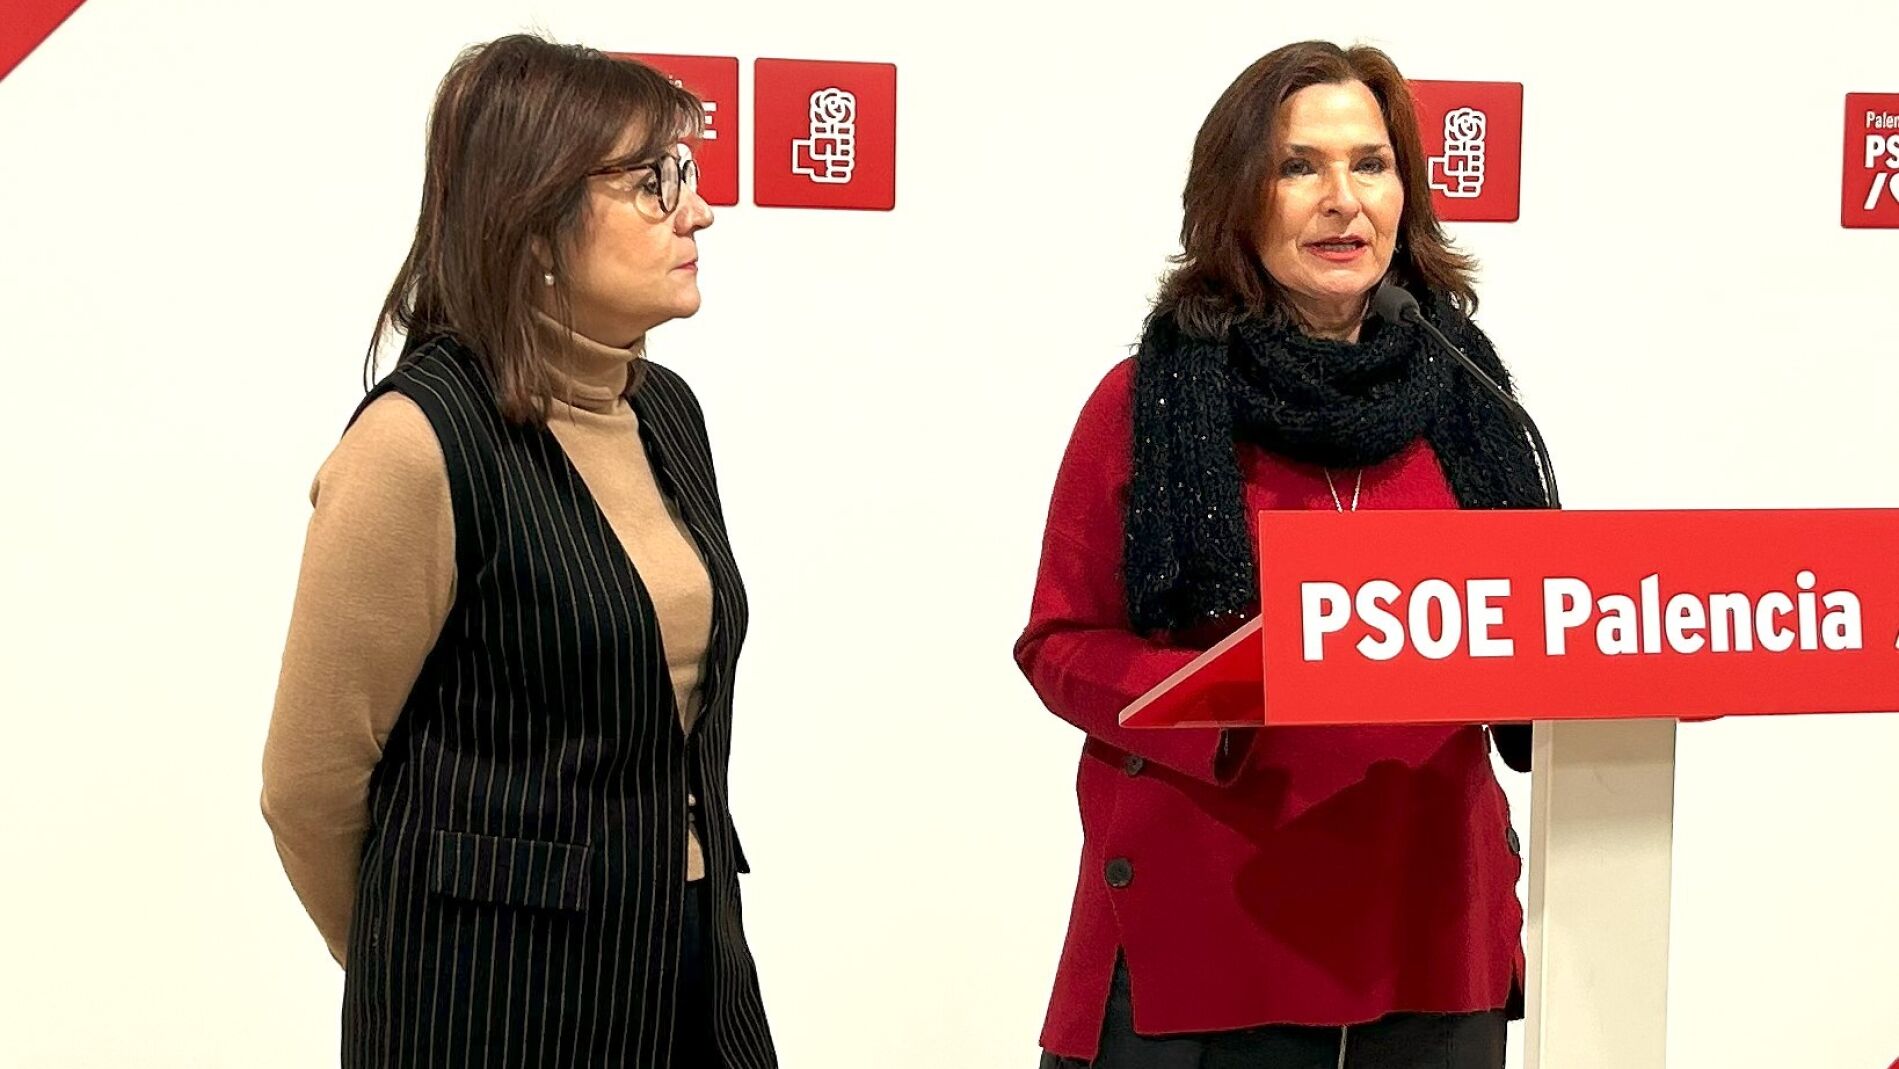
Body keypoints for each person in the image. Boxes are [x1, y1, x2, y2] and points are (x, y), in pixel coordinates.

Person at [1015, 40, 1551, 1069]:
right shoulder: (1146, 402)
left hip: (1430, 932)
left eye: (1371, 164)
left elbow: (1532, 626)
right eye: (1298, 166)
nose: (1342, 199)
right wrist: (1213, 697)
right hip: (1209, 926)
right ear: (1237, 197)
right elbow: (1058, 642)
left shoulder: (1468, 400)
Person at [260, 35, 775, 1068]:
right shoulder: (415, 443)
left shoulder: (665, 412)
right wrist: (418, 962)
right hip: (495, 1007)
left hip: (692, 968)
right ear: (534, 215)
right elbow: (309, 784)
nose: (698, 211)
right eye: (652, 181)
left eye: (686, 170)